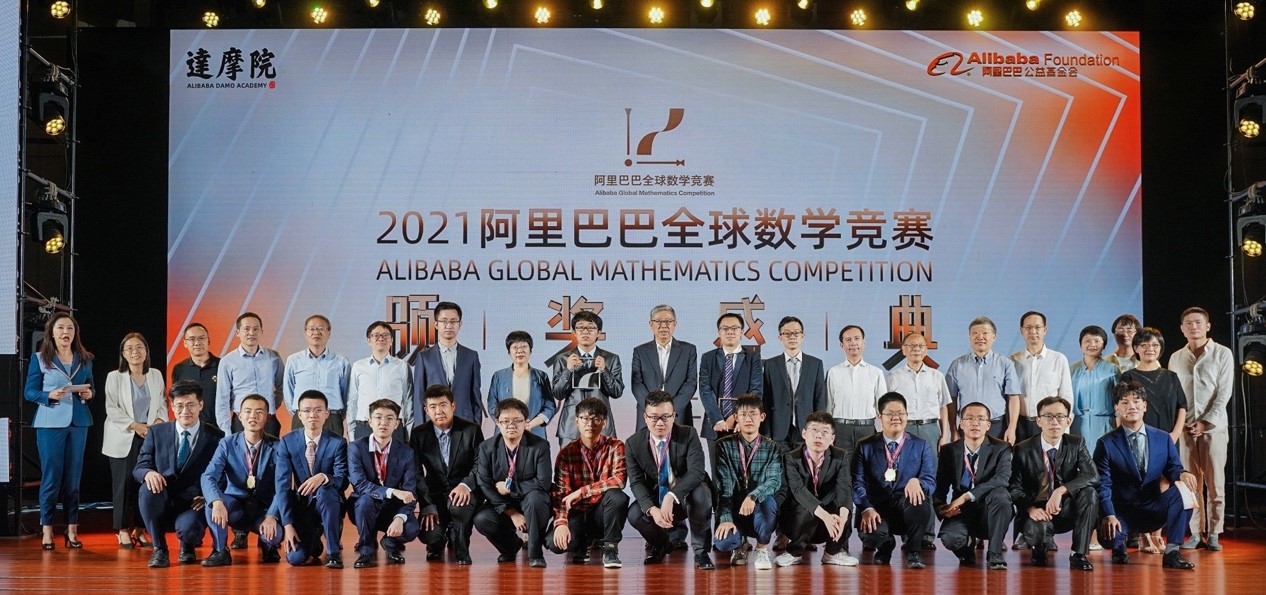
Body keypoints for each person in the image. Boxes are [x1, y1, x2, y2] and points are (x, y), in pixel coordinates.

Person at [1094, 380, 1198, 570]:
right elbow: (1103, 484)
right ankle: (1119, 547)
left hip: (1153, 507)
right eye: (1125, 402)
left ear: (1145, 406)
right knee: (1111, 538)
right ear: (1117, 408)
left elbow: (1172, 467)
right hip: (1122, 512)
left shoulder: (1163, 438)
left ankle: (1172, 552)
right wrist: (1108, 515)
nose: (1131, 406)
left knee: (1184, 493)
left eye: (1136, 401)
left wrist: (1182, 474)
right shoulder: (1105, 444)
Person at [23, 313, 96, 550]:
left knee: (73, 479)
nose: (66, 332)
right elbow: (29, 392)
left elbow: (91, 387)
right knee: (52, 477)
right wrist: (49, 395)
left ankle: (72, 529)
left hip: (78, 423)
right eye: (61, 328)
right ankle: (47, 529)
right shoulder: (40, 358)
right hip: (49, 423)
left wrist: (89, 394)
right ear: (52, 332)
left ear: (75, 333)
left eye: (70, 328)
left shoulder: (85, 358)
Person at [135, 380, 226, 568]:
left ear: (201, 405)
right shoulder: (156, 432)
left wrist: (210, 496)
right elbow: (140, 466)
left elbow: (223, 474)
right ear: (172, 406)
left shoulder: (216, 436)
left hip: (194, 502)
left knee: (189, 529)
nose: (185, 411)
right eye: (180, 405)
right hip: (163, 497)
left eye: (191, 405)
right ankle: (159, 549)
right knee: (146, 489)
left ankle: (188, 544)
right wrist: (148, 473)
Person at [625, 390, 714, 569]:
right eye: (654, 417)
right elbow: (636, 481)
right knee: (635, 513)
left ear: (674, 416)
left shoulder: (688, 434)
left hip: (684, 496)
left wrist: (671, 496)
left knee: (701, 494)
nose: (660, 423)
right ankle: (661, 544)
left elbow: (696, 472)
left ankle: (701, 553)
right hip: (657, 496)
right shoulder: (633, 443)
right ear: (645, 417)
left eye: (665, 417)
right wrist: (651, 509)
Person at [1168, 307, 1233, 551]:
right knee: (1190, 483)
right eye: (1188, 323)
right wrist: (1182, 423)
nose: (1193, 326)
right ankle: (1195, 532)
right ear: (1182, 329)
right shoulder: (1176, 357)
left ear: (1208, 326)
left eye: (1198, 322)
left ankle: (1215, 532)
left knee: (1216, 483)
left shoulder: (1222, 353)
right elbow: (1174, 395)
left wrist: (1205, 423)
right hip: (1186, 429)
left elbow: (1223, 394)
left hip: (1213, 429)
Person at [1009, 396, 1099, 571]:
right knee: (1039, 538)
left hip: (1064, 508)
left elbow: (1092, 475)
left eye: (1060, 416)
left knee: (1090, 493)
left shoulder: (1076, 443)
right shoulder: (1022, 449)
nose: (1054, 422)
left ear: (1068, 421)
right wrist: (1030, 509)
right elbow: (1014, 488)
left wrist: (1060, 491)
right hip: (1037, 510)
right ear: (1039, 421)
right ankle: (1039, 548)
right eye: (1048, 416)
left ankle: (1078, 554)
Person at [199, 394, 288, 566]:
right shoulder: (227, 444)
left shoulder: (278, 447)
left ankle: (268, 545)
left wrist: (272, 515)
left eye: (259, 412)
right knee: (212, 504)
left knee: (274, 535)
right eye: (247, 411)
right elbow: (208, 476)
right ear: (239, 416)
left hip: (263, 509)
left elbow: (282, 486)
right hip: (235, 506)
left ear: (268, 417)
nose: (252, 416)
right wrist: (216, 501)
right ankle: (220, 550)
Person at [885, 331, 952, 549]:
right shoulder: (893, 377)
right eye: (911, 345)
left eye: (920, 346)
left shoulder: (936, 376)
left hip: (930, 428)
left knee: (928, 479)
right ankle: (908, 533)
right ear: (903, 350)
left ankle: (927, 535)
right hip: (903, 429)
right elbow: (886, 409)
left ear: (926, 349)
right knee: (904, 479)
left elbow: (943, 407)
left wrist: (945, 434)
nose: (916, 349)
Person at [853, 392, 935, 569]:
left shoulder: (921, 445)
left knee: (921, 503)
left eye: (900, 413)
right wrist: (866, 508)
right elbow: (857, 482)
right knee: (871, 535)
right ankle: (885, 547)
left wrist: (918, 482)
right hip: (876, 508)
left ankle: (913, 551)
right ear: (879, 416)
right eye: (890, 413)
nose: (896, 418)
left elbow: (930, 481)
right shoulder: (865, 446)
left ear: (907, 415)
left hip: (906, 506)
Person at [547, 397, 629, 568]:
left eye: (596, 419)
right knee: (554, 544)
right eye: (585, 418)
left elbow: (619, 480)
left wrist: (583, 491)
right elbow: (560, 493)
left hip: (601, 513)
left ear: (604, 423)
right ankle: (582, 544)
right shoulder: (566, 453)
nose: (590, 424)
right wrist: (561, 523)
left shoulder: (615, 446)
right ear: (576, 421)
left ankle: (610, 549)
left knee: (617, 497)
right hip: (577, 513)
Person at [104, 332, 168, 548]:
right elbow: (112, 409)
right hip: (124, 436)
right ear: (123, 353)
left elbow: (163, 403)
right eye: (129, 348)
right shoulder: (115, 377)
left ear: (146, 351)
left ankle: (140, 529)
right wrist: (135, 425)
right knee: (123, 487)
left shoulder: (155, 375)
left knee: (147, 484)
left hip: (150, 436)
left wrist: (157, 422)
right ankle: (122, 530)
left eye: (140, 347)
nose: (135, 351)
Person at [933, 402, 1014, 570]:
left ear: (988, 425)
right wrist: (941, 508)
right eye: (969, 419)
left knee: (1001, 495)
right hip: (961, 510)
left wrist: (966, 496)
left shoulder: (1001, 448)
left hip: (989, 508)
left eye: (981, 419)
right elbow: (940, 487)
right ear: (961, 424)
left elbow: (1002, 479)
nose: (975, 423)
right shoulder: (949, 451)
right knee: (950, 538)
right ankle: (966, 549)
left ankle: (994, 553)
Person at [411, 384, 485, 564]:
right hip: (434, 493)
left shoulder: (471, 430)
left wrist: (465, 485)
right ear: (426, 410)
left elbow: (480, 464)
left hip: (464, 491)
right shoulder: (418, 434)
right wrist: (426, 504)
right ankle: (438, 542)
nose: (439, 411)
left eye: (443, 405)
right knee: (430, 534)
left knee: (459, 506)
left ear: (453, 406)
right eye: (433, 407)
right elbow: (416, 472)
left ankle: (461, 549)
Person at [473, 399, 553, 568]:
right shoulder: (486, 448)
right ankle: (510, 547)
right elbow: (484, 483)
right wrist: (512, 513)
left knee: (536, 499)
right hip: (504, 503)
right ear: (497, 423)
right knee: (482, 519)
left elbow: (544, 483)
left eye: (517, 421)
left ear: (526, 422)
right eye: (505, 421)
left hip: (532, 500)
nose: (511, 425)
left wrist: (510, 488)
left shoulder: (540, 446)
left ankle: (535, 553)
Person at [774, 411, 858, 567]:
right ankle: (794, 553)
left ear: (832, 439)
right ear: (804, 433)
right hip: (797, 522)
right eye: (814, 430)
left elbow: (844, 488)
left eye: (825, 432)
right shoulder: (791, 458)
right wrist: (825, 516)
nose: (819, 436)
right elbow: (798, 490)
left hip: (826, 526)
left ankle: (832, 553)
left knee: (844, 508)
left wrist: (842, 518)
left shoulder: (840, 457)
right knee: (805, 504)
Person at [277, 390, 349, 568]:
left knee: (325, 491)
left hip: (330, 503)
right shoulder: (287, 442)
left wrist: (323, 477)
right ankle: (314, 539)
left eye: (318, 410)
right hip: (303, 506)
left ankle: (333, 553)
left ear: (326, 414)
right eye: (307, 410)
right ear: (299, 415)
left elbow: (342, 480)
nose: (312, 415)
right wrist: (287, 524)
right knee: (295, 559)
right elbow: (282, 485)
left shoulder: (338, 442)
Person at [713, 394, 782, 570]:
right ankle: (738, 546)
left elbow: (774, 481)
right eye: (743, 415)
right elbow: (724, 486)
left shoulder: (772, 447)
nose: (748, 419)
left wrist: (753, 496)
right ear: (736, 417)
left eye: (753, 414)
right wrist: (726, 519)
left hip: (759, 505)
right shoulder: (723, 445)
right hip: (735, 506)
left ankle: (761, 549)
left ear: (762, 417)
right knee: (723, 542)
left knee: (769, 502)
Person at [347, 399, 419, 568]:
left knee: (412, 528)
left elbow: (410, 491)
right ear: (370, 421)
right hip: (363, 507)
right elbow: (359, 483)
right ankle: (366, 552)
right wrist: (392, 491)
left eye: (389, 418)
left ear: (397, 423)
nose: (383, 422)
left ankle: (390, 543)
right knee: (365, 500)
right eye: (378, 417)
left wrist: (400, 518)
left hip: (391, 507)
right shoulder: (356, 447)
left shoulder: (406, 452)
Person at [551, 310, 625, 446]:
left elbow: (617, 392)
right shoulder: (563, 359)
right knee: (569, 460)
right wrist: (568, 370)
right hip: (571, 425)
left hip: (601, 423)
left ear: (599, 333)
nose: (585, 332)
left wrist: (604, 370)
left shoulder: (611, 358)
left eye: (591, 328)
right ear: (574, 332)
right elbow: (557, 393)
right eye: (580, 328)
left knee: (604, 460)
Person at [944, 316, 1021, 443]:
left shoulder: (1005, 364)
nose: (980, 337)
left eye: (985, 333)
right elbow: (950, 399)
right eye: (975, 333)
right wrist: (953, 430)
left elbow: (1013, 397)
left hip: (997, 426)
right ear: (969, 336)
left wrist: (1012, 428)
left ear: (994, 336)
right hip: (967, 426)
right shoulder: (957, 365)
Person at [699, 313, 763, 464]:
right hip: (715, 425)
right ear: (719, 332)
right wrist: (718, 419)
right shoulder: (707, 358)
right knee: (718, 473)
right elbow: (705, 390)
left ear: (742, 331)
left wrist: (737, 417)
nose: (730, 332)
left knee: (743, 473)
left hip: (743, 425)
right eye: (725, 328)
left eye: (734, 328)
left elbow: (756, 391)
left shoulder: (753, 358)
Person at [412, 301, 483, 425]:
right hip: (433, 421)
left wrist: (476, 426)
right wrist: (420, 428)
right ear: (436, 324)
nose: (449, 325)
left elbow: (475, 394)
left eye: (453, 321)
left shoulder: (471, 356)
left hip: (464, 422)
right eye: (444, 321)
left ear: (460, 324)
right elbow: (419, 396)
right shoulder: (424, 357)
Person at [825, 325, 888, 466]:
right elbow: (828, 407)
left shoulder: (876, 373)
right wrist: (828, 433)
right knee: (842, 469)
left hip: (867, 429)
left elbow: (883, 409)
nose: (853, 343)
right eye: (848, 340)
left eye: (857, 338)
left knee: (868, 469)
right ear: (841, 345)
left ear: (864, 343)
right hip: (841, 429)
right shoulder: (833, 372)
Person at [630, 304, 698, 430]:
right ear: (651, 324)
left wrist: (670, 409)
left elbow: (691, 382)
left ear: (675, 324)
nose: (663, 326)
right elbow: (637, 384)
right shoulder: (640, 351)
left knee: (680, 443)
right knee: (646, 443)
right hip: (648, 415)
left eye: (668, 321)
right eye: (658, 321)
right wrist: (652, 409)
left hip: (679, 413)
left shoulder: (688, 350)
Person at [762, 316, 827, 449]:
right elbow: (766, 402)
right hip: (779, 430)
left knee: (805, 463)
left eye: (796, 333)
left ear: (802, 336)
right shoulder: (770, 364)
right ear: (780, 337)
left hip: (807, 429)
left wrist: (819, 430)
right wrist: (767, 432)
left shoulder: (815, 364)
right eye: (787, 333)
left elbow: (819, 400)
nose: (792, 337)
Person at [215, 312, 283, 437]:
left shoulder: (273, 357)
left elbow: (282, 386)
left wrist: (271, 405)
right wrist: (226, 431)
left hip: (268, 419)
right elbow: (222, 399)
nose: (251, 333)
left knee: (272, 449)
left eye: (256, 329)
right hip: (241, 420)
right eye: (246, 329)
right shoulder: (227, 361)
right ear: (237, 332)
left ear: (261, 331)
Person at [1010, 311, 1074, 444]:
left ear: (1045, 330)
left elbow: (1066, 396)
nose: (1033, 331)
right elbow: (1010, 396)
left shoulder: (1058, 359)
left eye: (1037, 327)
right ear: (1021, 331)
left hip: (1049, 423)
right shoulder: (1012, 360)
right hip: (1020, 424)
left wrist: (1064, 427)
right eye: (1028, 327)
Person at [283, 314, 351, 434]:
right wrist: (301, 412)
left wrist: (337, 415)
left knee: (334, 446)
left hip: (331, 417)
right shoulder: (293, 360)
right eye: (312, 329)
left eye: (321, 329)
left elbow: (346, 393)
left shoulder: (341, 361)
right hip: (302, 417)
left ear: (329, 333)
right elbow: (288, 392)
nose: (316, 333)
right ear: (305, 333)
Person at [1120, 327, 1188, 444]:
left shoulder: (1171, 377)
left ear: (1160, 348)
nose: (1150, 349)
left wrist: (1175, 435)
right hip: (1139, 439)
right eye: (1144, 345)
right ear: (1136, 348)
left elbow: (1182, 407)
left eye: (1155, 345)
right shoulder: (1128, 377)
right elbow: (1122, 410)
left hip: (1169, 439)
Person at [348, 321, 413, 441]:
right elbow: (352, 401)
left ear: (391, 340)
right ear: (369, 340)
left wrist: (408, 431)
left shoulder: (402, 366)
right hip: (364, 426)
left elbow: (408, 400)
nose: (381, 338)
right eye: (376, 335)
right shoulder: (358, 366)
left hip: (393, 426)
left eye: (385, 335)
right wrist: (352, 431)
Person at [487, 331, 556, 438]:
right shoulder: (498, 376)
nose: (520, 351)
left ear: (530, 350)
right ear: (509, 352)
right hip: (506, 433)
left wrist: (530, 424)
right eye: (515, 347)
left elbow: (550, 406)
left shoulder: (541, 376)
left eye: (524, 346)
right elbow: (492, 405)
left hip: (534, 432)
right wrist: (508, 423)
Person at [1070, 325, 1119, 447]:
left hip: (1105, 424)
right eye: (1087, 341)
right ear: (1080, 344)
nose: (1092, 344)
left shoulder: (1112, 369)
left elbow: (1119, 399)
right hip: (1077, 424)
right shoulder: (1071, 369)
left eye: (1097, 341)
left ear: (1104, 345)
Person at [171, 322, 220, 427]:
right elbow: (176, 399)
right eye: (192, 339)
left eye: (201, 338)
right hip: (188, 428)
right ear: (185, 343)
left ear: (208, 340)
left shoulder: (222, 366)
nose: (197, 343)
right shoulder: (179, 369)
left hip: (218, 428)